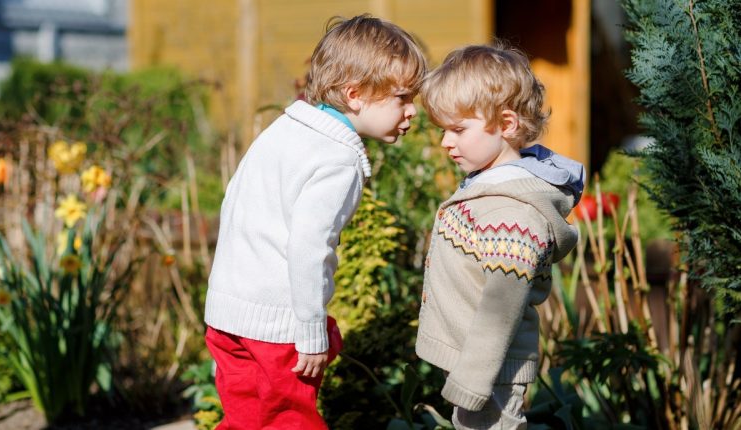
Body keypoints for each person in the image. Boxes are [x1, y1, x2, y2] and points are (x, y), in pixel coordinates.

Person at [203, 14, 426, 429]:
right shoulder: (336, 159)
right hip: (276, 326)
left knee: (246, 421)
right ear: (355, 94)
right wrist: (309, 331)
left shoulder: (284, 130)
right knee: (290, 422)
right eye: (403, 98)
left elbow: (234, 199)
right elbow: (308, 248)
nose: (413, 111)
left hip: (227, 315)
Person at [415, 43, 585, 430]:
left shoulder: (513, 214)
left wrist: (472, 381)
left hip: (490, 372)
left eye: (458, 130)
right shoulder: (489, 188)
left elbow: (501, 308)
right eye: (444, 129)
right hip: (476, 362)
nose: (445, 142)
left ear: (506, 125)